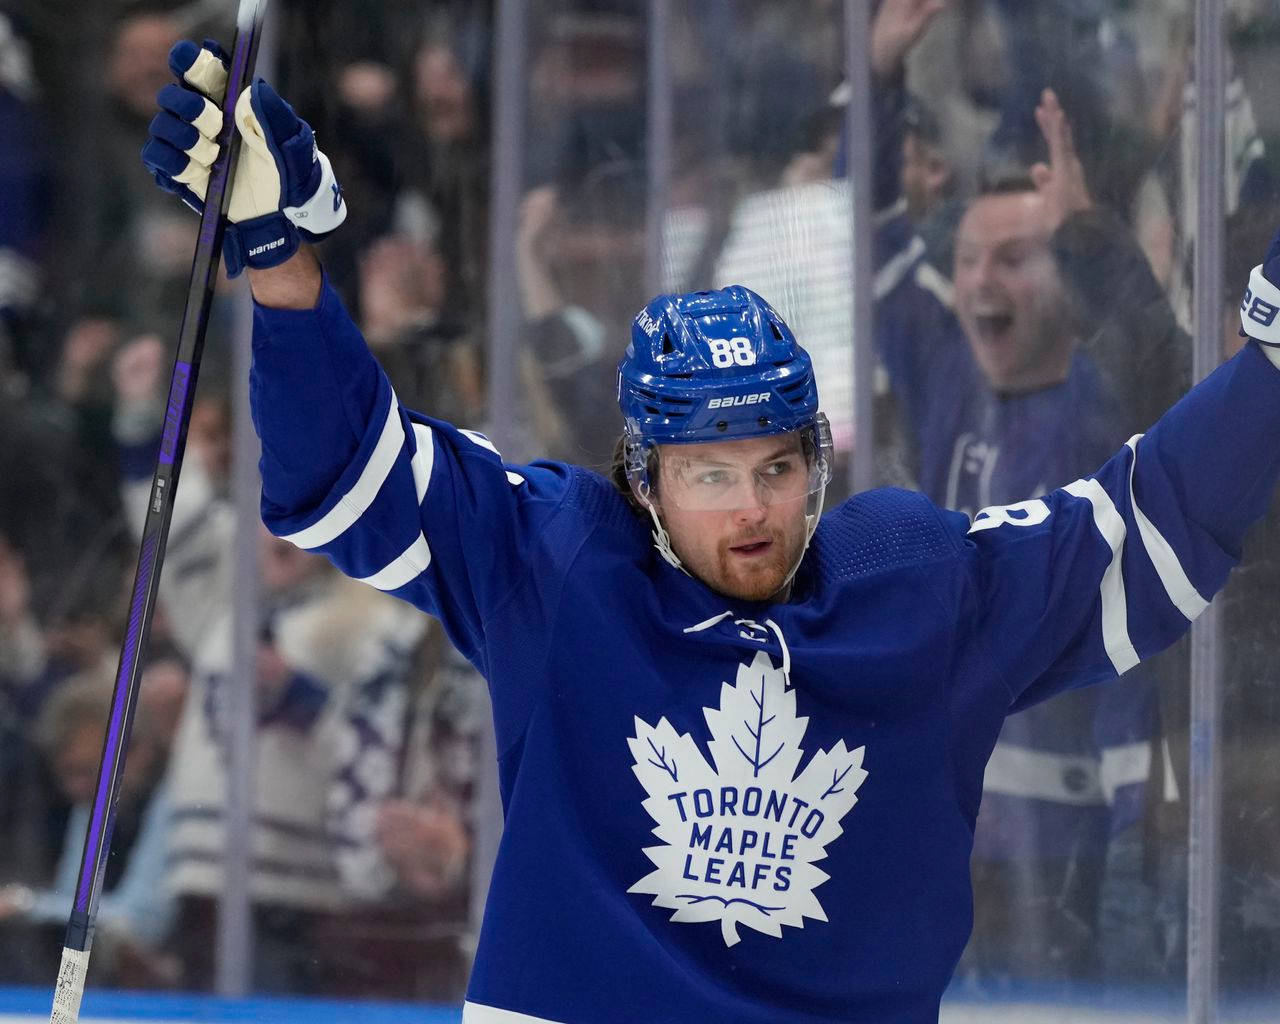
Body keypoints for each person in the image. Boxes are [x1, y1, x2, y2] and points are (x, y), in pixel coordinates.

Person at [143, 38, 1280, 1024]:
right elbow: (343, 474)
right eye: (710, 475)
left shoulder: (914, 587)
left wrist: (1269, 359)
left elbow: (1149, 524)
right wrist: (284, 276)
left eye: (778, 469)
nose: (752, 510)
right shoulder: (558, 562)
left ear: (817, 462)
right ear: (641, 480)